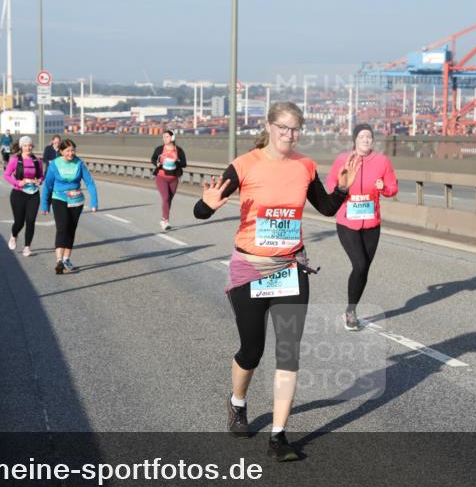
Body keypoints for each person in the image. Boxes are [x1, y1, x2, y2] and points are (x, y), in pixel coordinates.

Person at [194, 102, 360, 462]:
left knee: (288, 352)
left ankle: (279, 436)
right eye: (283, 128)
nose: (289, 135)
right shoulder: (244, 165)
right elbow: (202, 209)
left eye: (295, 129)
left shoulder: (305, 166)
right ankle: (238, 403)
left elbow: (327, 208)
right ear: (269, 127)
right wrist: (206, 205)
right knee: (251, 350)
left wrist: (343, 190)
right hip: (250, 269)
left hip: (290, 268)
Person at [325, 123, 398, 331]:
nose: (366, 140)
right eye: (362, 136)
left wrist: (384, 188)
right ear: (355, 140)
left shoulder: (382, 161)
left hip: (372, 222)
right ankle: (350, 313)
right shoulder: (344, 159)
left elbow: (393, 187)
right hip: (348, 221)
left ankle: (351, 307)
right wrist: (341, 187)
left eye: (369, 137)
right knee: (359, 265)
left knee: (364, 268)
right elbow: (331, 182)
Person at [40, 139, 98, 274]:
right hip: (59, 198)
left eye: (73, 150)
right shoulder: (55, 164)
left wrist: (94, 202)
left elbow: (90, 183)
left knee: (71, 229)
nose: (71, 153)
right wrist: (44, 205)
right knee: (62, 227)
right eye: (67, 151)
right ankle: (59, 260)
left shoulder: (79, 163)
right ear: (61, 152)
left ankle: (66, 259)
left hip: (75, 200)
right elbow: (48, 186)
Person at [4, 135, 44, 257]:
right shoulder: (15, 160)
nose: (28, 148)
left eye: (30, 145)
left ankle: (27, 247)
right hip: (18, 194)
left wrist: (39, 181)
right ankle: (14, 235)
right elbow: (7, 175)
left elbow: (41, 175)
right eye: (25, 145)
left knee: (31, 221)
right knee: (19, 222)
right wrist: (18, 182)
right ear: (21, 147)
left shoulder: (37, 161)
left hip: (33, 194)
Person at [151, 130, 187, 230]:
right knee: (166, 198)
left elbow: (184, 163)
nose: (165, 139)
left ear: (172, 138)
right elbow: (153, 159)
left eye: (167, 136)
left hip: (174, 178)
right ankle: (166, 221)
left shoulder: (178, 150)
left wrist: (176, 161)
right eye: (163, 137)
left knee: (169, 200)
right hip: (161, 177)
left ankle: (163, 219)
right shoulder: (159, 149)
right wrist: (157, 163)